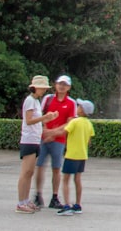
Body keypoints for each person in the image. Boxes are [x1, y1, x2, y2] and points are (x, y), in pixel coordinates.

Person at [15, 75, 57, 214]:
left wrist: (48, 118)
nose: (44, 91)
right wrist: (44, 117)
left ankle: (26, 200)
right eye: (43, 88)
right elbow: (28, 120)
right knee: (25, 172)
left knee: (30, 172)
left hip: (34, 139)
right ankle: (21, 202)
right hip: (28, 139)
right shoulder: (30, 101)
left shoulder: (36, 101)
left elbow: (36, 120)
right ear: (36, 87)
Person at [34, 74, 76, 209]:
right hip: (44, 137)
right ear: (56, 85)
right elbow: (41, 116)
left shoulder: (71, 103)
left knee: (56, 168)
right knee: (40, 166)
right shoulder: (48, 99)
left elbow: (69, 124)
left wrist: (53, 133)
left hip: (58, 139)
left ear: (68, 87)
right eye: (60, 84)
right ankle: (38, 194)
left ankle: (54, 196)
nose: (62, 86)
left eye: (65, 84)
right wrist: (45, 130)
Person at [47, 98, 95, 216]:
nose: (77, 108)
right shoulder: (89, 124)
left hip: (71, 154)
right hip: (82, 155)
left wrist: (51, 134)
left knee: (65, 180)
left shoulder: (74, 121)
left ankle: (67, 205)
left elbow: (64, 132)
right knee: (77, 180)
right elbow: (89, 141)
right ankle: (78, 204)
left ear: (82, 111)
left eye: (79, 106)